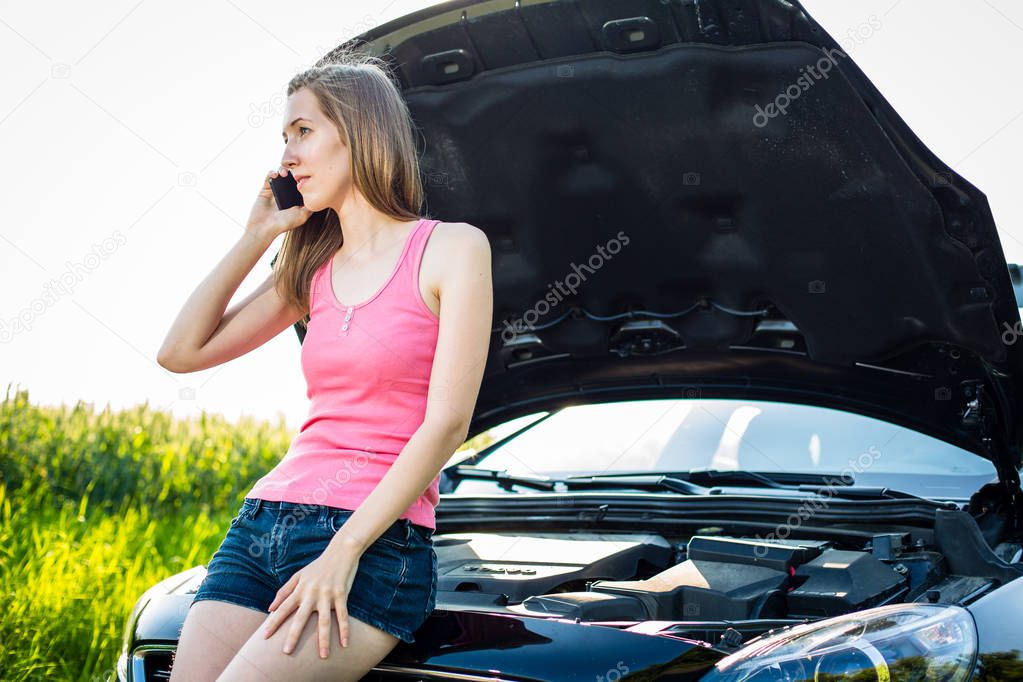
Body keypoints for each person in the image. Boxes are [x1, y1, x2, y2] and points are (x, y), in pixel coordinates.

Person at [159, 48, 492, 682]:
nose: (285, 155)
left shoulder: (452, 248)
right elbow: (181, 353)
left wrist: (343, 551)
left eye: (303, 131)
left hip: (373, 541)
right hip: (262, 524)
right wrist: (258, 234)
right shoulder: (310, 269)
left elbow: (447, 424)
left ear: (362, 134)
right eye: (283, 136)